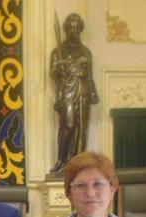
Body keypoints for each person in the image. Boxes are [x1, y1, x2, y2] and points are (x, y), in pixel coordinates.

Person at [50, 13, 98, 173]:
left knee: (82, 129)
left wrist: (93, 92)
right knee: (68, 125)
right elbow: (53, 73)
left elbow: (90, 76)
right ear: (66, 29)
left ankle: (78, 164)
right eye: (71, 28)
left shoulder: (86, 51)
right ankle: (62, 160)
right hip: (67, 90)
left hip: (83, 89)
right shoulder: (58, 51)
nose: (73, 31)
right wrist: (59, 67)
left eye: (76, 28)